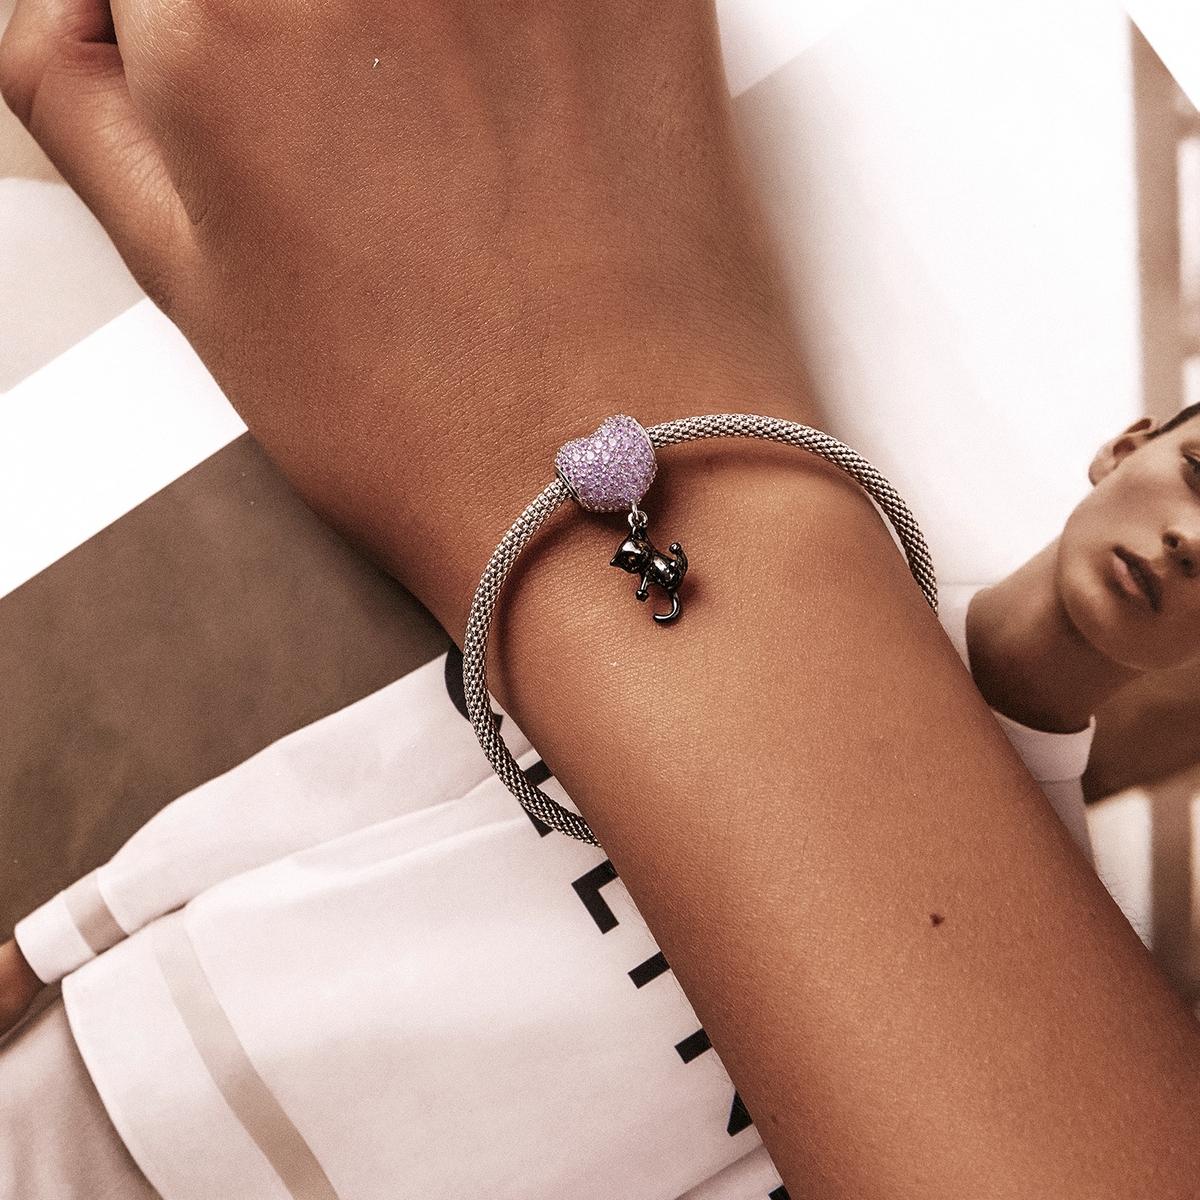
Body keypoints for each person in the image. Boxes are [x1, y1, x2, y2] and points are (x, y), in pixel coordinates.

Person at [5, 3, 1200, 1197]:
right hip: (135, 1053)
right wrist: (67, 933)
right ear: (1127, 444)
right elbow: (357, 771)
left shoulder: (1056, 968)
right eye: (1197, 475)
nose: (1190, 545)